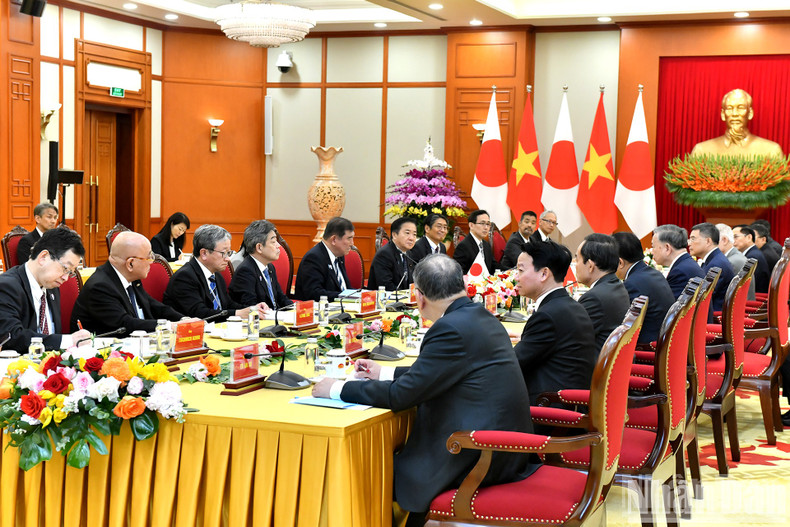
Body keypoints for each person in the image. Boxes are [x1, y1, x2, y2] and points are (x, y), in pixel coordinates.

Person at [312, 254, 537, 524]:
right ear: (462, 284)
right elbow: (441, 372)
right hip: (503, 445)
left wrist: (337, 388)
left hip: (477, 452)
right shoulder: (481, 316)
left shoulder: (448, 329)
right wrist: (382, 371)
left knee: (371, 468)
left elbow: (401, 396)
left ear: (419, 297)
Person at [513, 240, 597, 403]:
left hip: (550, 408)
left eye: (520, 270)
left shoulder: (548, 316)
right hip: (571, 401)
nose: (516, 277)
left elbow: (512, 364)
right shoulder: (569, 306)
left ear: (544, 274)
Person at [70, 231, 183, 336]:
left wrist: (182, 320)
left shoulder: (131, 278)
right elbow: (125, 324)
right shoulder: (99, 287)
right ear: (130, 264)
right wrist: (167, 326)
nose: (152, 262)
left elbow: (153, 305)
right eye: (149, 257)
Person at [0, 227, 90, 351]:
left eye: (70, 272)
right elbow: (11, 338)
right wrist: (67, 340)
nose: (66, 278)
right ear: (43, 257)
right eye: (65, 269)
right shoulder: (6, 286)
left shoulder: (51, 286)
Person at [163, 224, 265, 321]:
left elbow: (228, 305)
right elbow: (200, 314)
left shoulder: (216, 275)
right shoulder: (185, 277)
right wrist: (237, 314)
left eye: (229, 253)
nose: (228, 259)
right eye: (223, 253)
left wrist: (253, 309)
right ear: (204, 253)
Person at [613, 232, 675, 344]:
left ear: (620, 262)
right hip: (664, 341)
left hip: (648, 347)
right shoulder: (654, 273)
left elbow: (623, 327)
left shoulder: (632, 284)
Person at [574, 233, 631, 353]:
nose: (575, 264)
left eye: (577, 259)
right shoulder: (616, 286)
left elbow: (570, 340)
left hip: (592, 368)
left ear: (590, 265)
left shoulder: (594, 298)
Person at [691, 89, 784, 158]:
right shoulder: (702, 151)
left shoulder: (771, 151)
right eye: (730, 108)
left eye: (740, 108)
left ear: (750, 113)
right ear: (723, 114)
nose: (735, 114)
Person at [228, 220, 292, 309]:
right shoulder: (245, 271)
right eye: (273, 242)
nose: (278, 246)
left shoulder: (269, 267)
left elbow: (281, 298)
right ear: (259, 247)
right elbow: (252, 307)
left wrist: (296, 309)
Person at [294, 217, 354, 301]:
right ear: (334, 239)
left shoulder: (339, 256)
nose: (352, 243)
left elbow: (345, 288)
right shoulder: (313, 258)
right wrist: (345, 297)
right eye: (349, 238)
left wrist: (358, 295)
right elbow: (314, 293)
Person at [687, 222, 735, 315]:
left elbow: (703, 298)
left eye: (693, 239)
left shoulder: (716, 264)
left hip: (714, 315)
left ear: (708, 241)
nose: (689, 243)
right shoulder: (715, 259)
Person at [651, 224, 704, 298]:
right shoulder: (686, 263)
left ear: (667, 248)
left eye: (653, 247)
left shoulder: (680, 272)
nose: (651, 251)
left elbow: (670, 306)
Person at [367, 217, 418, 291]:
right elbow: (386, 286)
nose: (412, 238)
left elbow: (411, 282)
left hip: (404, 300)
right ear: (394, 235)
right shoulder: (384, 254)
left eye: (414, 234)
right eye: (407, 233)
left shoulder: (408, 253)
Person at [716, 223, 755, 300]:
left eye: (714, 241)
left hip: (738, 309)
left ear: (724, 240)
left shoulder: (731, 261)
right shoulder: (735, 256)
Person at [452, 209, 495, 275]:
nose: (486, 228)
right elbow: (459, 273)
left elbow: (493, 266)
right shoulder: (463, 246)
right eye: (482, 223)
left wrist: (511, 270)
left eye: (488, 224)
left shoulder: (486, 244)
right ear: (471, 225)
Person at [733, 225, 770, 294]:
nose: (733, 241)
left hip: (755, 297)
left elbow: (748, 285)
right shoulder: (753, 252)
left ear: (749, 237)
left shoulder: (752, 256)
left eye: (736, 237)